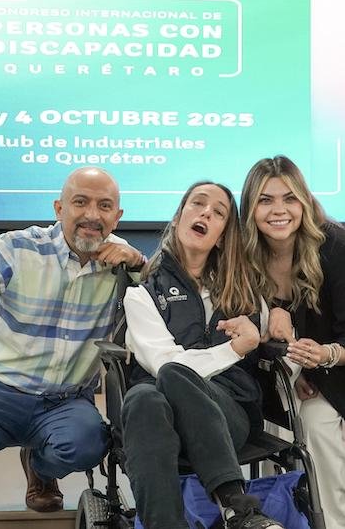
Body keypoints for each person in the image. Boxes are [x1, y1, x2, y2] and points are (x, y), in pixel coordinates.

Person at [0, 167, 146, 529]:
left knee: (89, 445)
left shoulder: (122, 262)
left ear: (117, 217)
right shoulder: (17, 248)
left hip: (66, 400)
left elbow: (159, 301)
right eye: (80, 202)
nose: (92, 214)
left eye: (104, 206)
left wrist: (138, 264)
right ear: (59, 208)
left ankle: (39, 465)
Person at [120, 181, 285, 529]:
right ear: (178, 217)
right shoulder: (142, 295)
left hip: (228, 416)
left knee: (167, 379)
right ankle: (227, 510)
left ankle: (237, 510)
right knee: (144, 396)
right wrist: (233, 349)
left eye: (219, 212)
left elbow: (278, 337)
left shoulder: (245, 294)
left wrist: (279, 319)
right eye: (197, 204)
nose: (206, 213)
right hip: (159, 420)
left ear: (223, 236)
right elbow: (164, 364)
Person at [240, 156, 345, 529]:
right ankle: (280, 517)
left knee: (316, 425)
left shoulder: (337, 247)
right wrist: (281, 344)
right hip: (268, 370)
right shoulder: (240, 251)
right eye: (265, 200)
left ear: (304, 202)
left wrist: (322, 357)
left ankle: (332, 523)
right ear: (250, 208)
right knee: (270, 428)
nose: (279, 210)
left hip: (338, 369)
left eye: (289, 198)